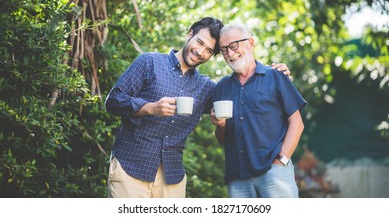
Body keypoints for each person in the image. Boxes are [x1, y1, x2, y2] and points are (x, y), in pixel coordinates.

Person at [105, 17, 290, 198]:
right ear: (190, 34)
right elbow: (113, 100)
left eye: (209, 50)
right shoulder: (149, 62)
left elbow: (243, 98)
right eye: (199, 42)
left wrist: (275, 77)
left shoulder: (207, 88)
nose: (200, 52)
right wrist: (150, 108)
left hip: (172, 176)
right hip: (130, 167)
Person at [211, 23, 306, 198]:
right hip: (238, 177)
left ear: (251, 42)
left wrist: (282, 160)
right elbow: (223, 140)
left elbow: (297, 123)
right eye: (224, 49)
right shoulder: (222, 88)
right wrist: (220, 125)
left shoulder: (276, 76)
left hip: (274, 173)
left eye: (234, 45)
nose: (230, 53)